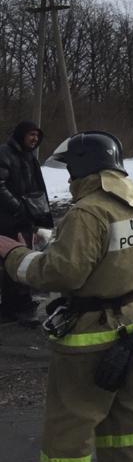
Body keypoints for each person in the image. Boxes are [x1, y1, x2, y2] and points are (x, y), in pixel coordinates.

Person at [0, 131, 133, 462]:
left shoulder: (87, 211)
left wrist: (14, 255)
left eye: (71, 170)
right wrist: (54, 239)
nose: (69, 179)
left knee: (66, 440)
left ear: (84, 167)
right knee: (129, 424)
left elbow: (63, 273)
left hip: (89, 339)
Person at [0, 120, 53, 321]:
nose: (35, 139)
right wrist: (18, 207)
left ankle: (21, 301)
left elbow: (34, 185)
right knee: (13, 257)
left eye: (37, 136)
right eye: (31, 135)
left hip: (25, 216)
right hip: (9, 218)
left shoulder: (27, 155)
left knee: (25, 255)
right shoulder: (5, 153)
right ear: (21, 135)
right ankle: (11, 308)